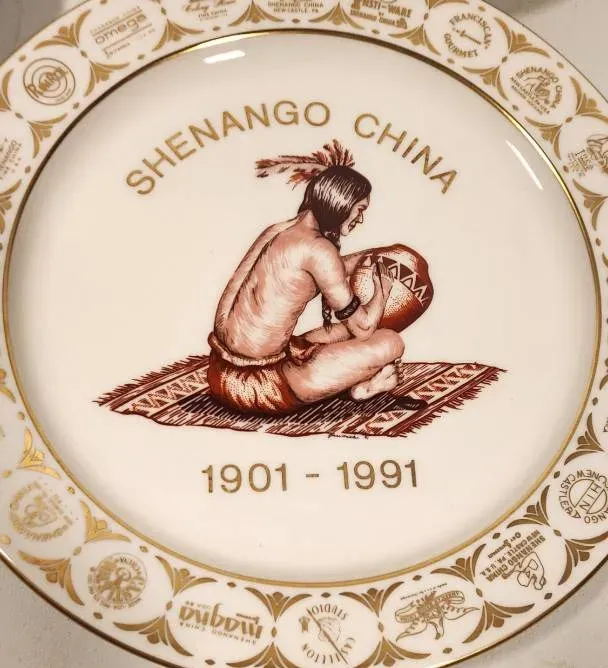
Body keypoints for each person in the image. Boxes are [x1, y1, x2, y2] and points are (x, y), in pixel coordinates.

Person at [207, 146, 430, 415]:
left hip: (219, 372)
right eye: (359, 209)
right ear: (341, 203)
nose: (360, 219)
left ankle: (345, 378)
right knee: (390, 341)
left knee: (338, 333)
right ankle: (362, 389)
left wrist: (372, 254)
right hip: (259, 388)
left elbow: (322, 271)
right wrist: (382, 289)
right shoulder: (319, 250)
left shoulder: (280, 231)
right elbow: (363, 327)